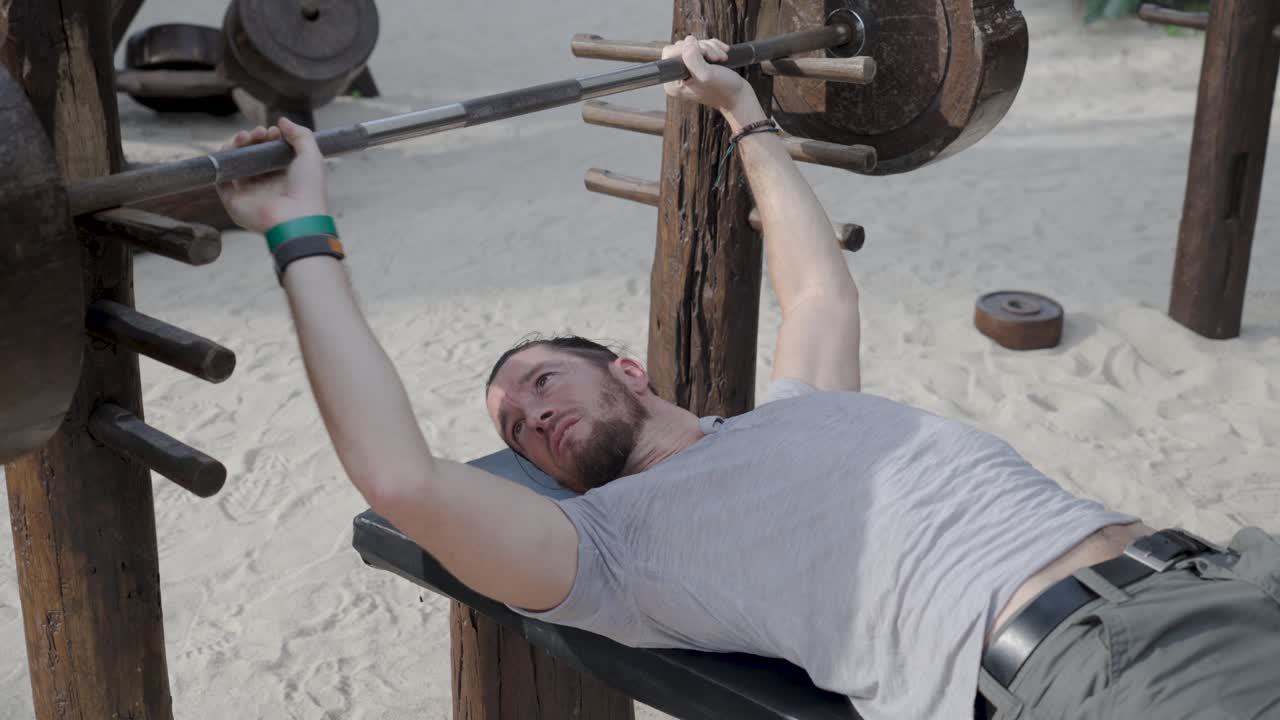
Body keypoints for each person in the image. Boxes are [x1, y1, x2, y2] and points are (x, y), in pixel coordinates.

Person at [216, 36, 1280, 720]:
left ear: (626, 370)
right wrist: (300, 233)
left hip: (1222, 574)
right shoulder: (605, 554)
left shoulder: (804, 409)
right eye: (509, 418)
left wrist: (742, 113)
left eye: (539, 379)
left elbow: (818, 294)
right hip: (1104, 673)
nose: (525, 412)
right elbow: (402, 482)